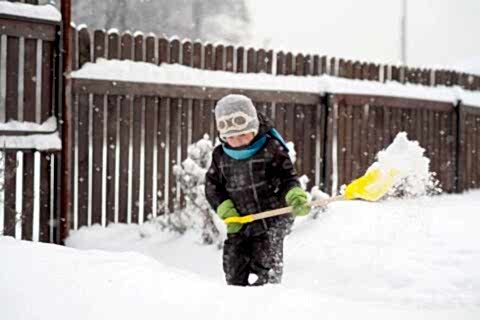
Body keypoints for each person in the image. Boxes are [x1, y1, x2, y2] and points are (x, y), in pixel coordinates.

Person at [205, 94, 311, 286]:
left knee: (267, 263)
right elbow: (213, 186)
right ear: (223, 135)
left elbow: (288, 178)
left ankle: (265, 298)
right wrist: (225, 209)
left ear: (254, 129)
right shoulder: (220, 156)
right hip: (239, 222)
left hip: (271, 219)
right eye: (231, 137)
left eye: (243, 134)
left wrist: (294, 195)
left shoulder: (271, 149)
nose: (238, 141)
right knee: (234, 267)